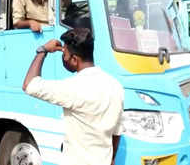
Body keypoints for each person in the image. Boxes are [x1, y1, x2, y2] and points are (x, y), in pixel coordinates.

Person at [22, 28, 124, 165]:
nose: (63, 58)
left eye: (64, 54)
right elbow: (116, 133)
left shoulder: (73, 87)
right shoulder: (115, 86)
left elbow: (29, 84)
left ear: (75, 59)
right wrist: (111, 159)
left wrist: (43, 50)